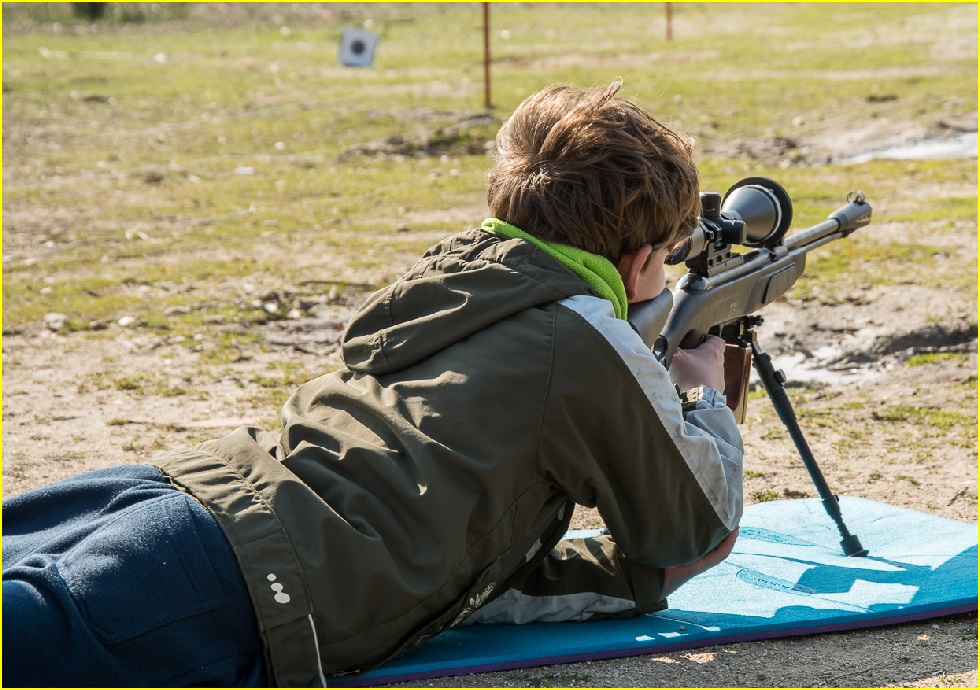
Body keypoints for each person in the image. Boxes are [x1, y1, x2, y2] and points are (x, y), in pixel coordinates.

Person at [2, 81, 742, 687]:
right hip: (235, 579)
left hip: (174, 497)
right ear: (644, 259)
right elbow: (695, 527)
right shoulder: (585, 336)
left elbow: (455, 551)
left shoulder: (460, 282)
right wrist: (704, 393)